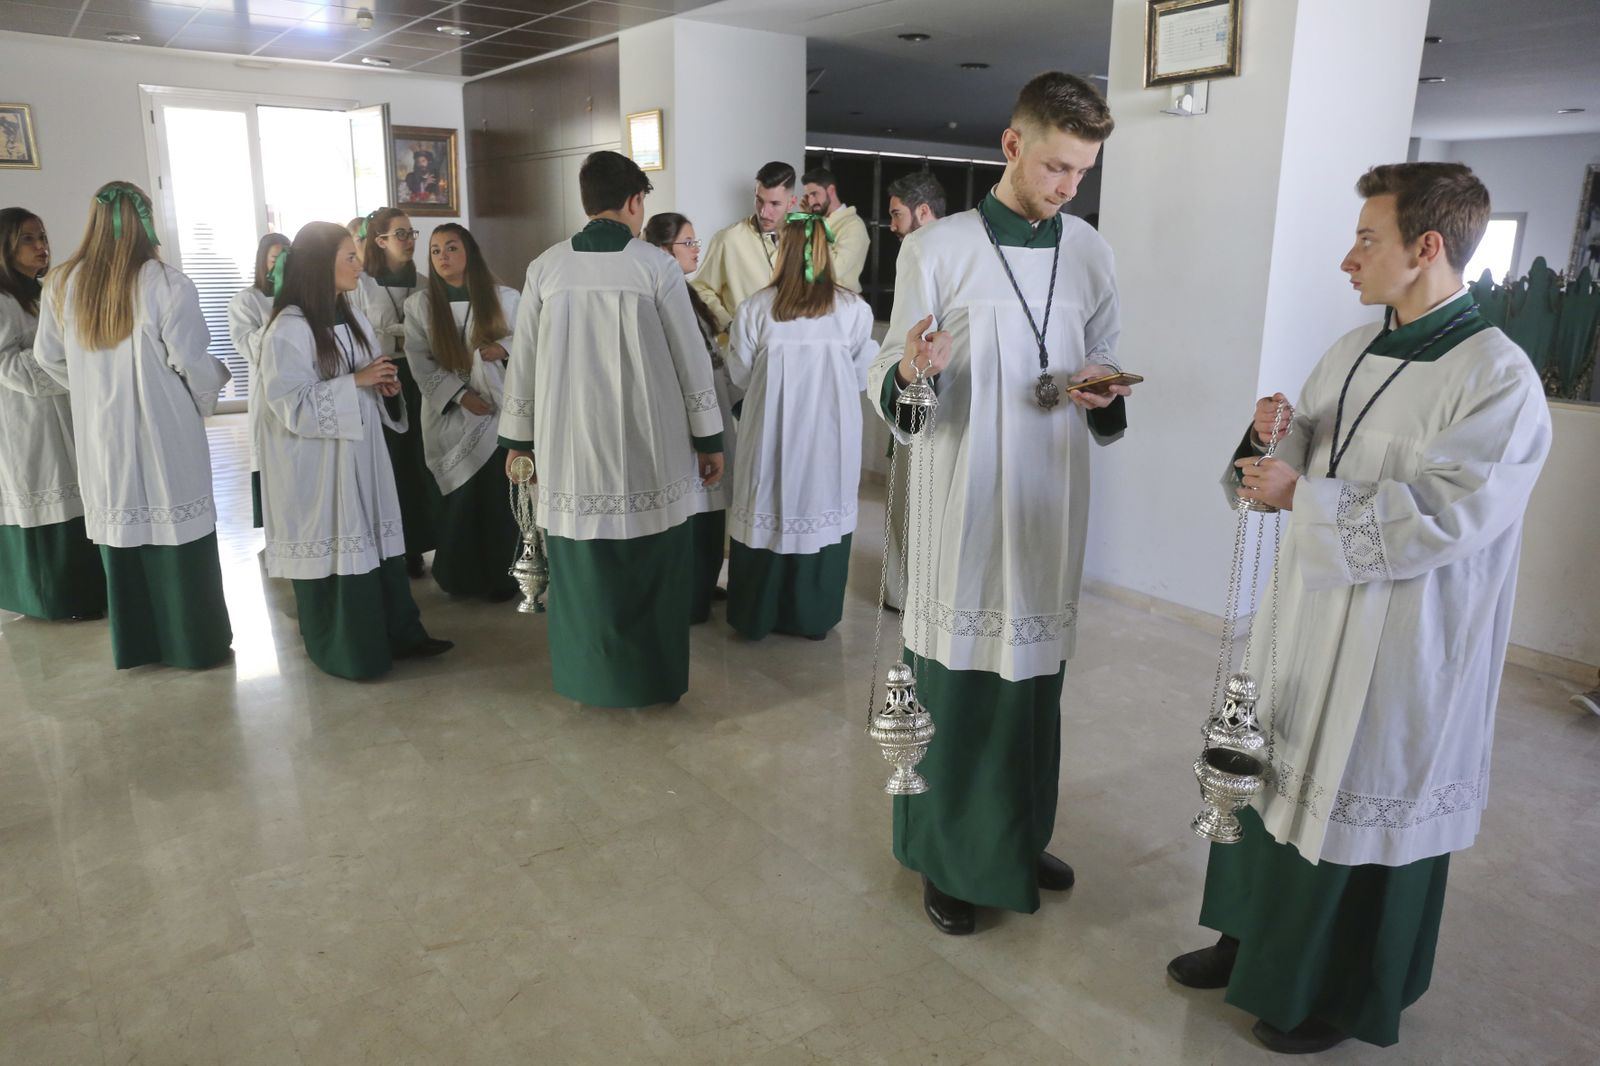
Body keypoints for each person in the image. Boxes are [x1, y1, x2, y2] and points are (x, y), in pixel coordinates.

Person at [1167, 162, 1552, 1055]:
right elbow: (1302, 453)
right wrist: (1267, 444)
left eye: (1366, 239)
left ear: (1425, 249)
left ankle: (1329, 991)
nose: (1350, 258)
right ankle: (1247, 939)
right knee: (1273, 766)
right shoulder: (1353, 346)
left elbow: (1454, 511)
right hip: (1306, 611)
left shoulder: (1498, 376)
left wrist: (1304, 493)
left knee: (1353, 786)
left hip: (1402, 635)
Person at [867, 73, 1131, 935]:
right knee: (963, 686)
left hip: (1049, 499)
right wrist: (913, 371)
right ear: (1012, 145)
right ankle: (948, 855)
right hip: (964, 496)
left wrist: (1101, 389)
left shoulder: (1090, 250)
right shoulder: (935, 249)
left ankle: (1017, 833)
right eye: (1056, 166)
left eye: (1082, 174)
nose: (1066, 188)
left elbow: (1104, 359)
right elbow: (890, 377)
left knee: (1034, 687)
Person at [497, 150, 724, 707]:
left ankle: (588, 679)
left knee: (582, 568)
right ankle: (649, 679)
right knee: (650, 562)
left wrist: (518, 442)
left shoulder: (546, 267)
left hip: (570, 445)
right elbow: (690, 359)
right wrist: (708, 437)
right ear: (632, 202)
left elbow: (521, 362)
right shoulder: (655, 266)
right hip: (649, 441)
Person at [34, 181, 233, 669]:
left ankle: (138, 644)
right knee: (177, 533)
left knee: (124, 537)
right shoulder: (165, 282)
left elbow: (47, 357)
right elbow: (191, 359)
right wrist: (209, 388)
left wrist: (89, 386)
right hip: (163, 431)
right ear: (146, 220)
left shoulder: (62, 282)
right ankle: (193, 644)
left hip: (102, 436)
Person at [256, 222, 453, 680]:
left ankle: (402, 632)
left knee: (377, 541)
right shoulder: (288, 328)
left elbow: (366, 376)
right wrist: (355, 383)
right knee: (346, 543)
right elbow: (290, 405)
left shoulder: (353, 315)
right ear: (320, 266)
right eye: (349, 257)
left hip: (362, 455)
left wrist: (383, 387)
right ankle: (350, 648)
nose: (358, 265)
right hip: (321, 467)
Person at [725, 211, 877, 641]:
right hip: (829, 435)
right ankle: (812, 616)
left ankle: (758, 615)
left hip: (771, 432)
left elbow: (739, 373)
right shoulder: (852, 310)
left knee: (767, 503)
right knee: (819, 504)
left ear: (782, 252)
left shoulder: (757, 308)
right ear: (826, 252)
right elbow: (860, 371)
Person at [403, 224, 521, 601]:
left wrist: (502, 348)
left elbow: (531, 339)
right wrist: (458, 394)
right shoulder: (419, 306)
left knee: (497, 496)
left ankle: (505, 576)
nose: (443, 257)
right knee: (460, 498)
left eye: (451, 248)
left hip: (495, 413)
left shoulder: (505, 298)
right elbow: (418, 360)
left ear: (469, 252)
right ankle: (459, 576)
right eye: (435, 251)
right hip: (449, 415)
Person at [0, 206, 105, 621]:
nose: (42, 245)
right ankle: (53, 598)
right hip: (27, 420)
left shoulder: (41, 292)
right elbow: (6, 363)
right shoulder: (4, 299)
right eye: (28, 238)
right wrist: (64, 361)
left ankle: (84, 591)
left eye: (42, 236)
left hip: (62, 410)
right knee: (47, 496)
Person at [644, 211, 734, 623]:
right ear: (663, 250)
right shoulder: (658, 295)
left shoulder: (690, 292)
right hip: (686, 422)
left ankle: (703, 584)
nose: (696, 249)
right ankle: (689, 595)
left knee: (712, 512)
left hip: (712, 407)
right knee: (694, 510)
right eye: (688, 242)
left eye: (696, 242)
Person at [357, 206, 440, 577]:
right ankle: (391, 544)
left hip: (418, 374)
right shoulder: (362, 284)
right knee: (391, 463)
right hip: (383, 376)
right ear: (380, 240)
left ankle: (420, 541)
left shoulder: (423, 282)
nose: (409, 241)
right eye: (401, 234)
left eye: (411, 234)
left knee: (421, 461)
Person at [881, 172, 947, 611]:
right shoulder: (931, 251)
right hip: (914, 380)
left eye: (896, 214)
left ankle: (905, 594)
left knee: (913, 497)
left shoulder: (923, 250)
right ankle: (906, 591)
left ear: (923, 212)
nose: (892, 226)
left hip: (929, 384)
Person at [227, 231, 289, 528]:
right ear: (263, 262)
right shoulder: (246, 301)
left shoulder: (304, 299)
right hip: (266, 391)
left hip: (300, 388)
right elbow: (249, 346)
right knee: (269, 454)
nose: (280, 267)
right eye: (275, 259)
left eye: (287, 260)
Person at [691, 161, 795, 333]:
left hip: (789, 348)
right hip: (740, 351)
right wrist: (729, 324)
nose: (764, 212)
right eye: (759, 201)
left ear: (791, 203)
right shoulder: (727, 239)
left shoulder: (805, 242)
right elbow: (700, 289)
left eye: (774, 204)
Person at [800, 166, 870, 293]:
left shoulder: (854, 225)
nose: (810, 201)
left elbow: (833, 270)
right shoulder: (814, 222)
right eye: (807, 196)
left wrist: (813, 225)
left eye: (814, 194)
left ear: (831, 190)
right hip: (810, 303)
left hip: (841, 305)